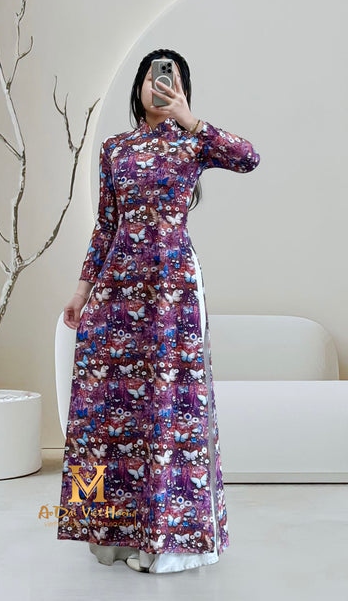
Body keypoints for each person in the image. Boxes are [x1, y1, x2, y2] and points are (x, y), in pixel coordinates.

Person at [57, 48, 260, 573]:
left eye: (171, 77)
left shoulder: (195, 142)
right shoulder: (114, 148)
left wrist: (191, 119)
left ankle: (169, 540)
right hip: (117, 284)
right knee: (103, 404)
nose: (160, 83)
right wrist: (81, 291)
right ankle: (108, 529)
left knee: (170, 403)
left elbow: (249, 157)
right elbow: (105, 225)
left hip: (172, 288)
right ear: (139, 87)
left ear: (182, 88)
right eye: (153, 75)